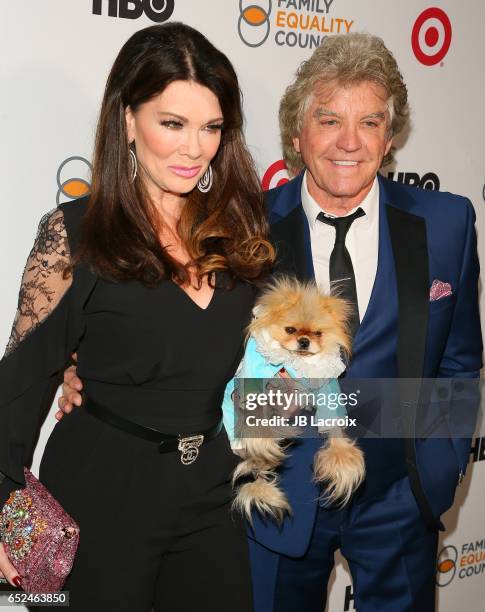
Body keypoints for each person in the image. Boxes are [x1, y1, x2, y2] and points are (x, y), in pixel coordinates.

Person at [58, 33, 483, 612]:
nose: (349, 143)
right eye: (329, 119)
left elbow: (459, 359)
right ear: (297, 134)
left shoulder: (447, 221)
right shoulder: (240, 229)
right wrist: (88, 375)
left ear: (391, 134)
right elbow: (183, 338)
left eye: (371, 122)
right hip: (276, 501)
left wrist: (441, 464)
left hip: (401, 504)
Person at [0, 22, 274, 611]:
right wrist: (3, 508)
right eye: (171, 123)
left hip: (212, 492)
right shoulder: (75, 235)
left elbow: (275, 371)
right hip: (102, 492)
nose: (193, 147)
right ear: (128, 119)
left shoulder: (242, 232)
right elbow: (18, 391)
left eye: (211, 127)